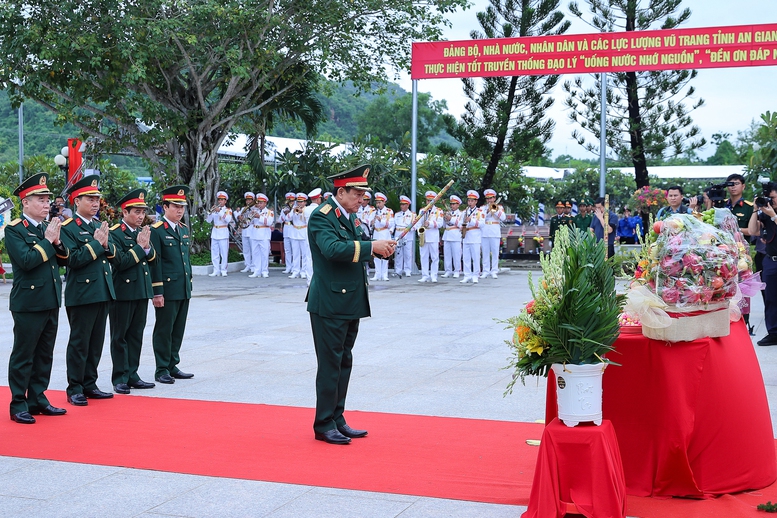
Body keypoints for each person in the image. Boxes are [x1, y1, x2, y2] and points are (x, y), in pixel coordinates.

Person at [305, 164, 396, 444]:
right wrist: (371, 247)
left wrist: (381, 250)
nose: (362, 200)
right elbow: (332, 249)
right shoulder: (322, 217)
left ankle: (337, 418)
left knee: (344, 360)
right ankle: (323, 423)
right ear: (341, 192)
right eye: (357, 195)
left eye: (364, 196)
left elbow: (357, 246)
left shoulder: (350, 217)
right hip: (330, 302)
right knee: (330, 363)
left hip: (349, 299)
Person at [5, 173, 69, 423]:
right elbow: (27, 261)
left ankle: (38, 398)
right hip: (29, 304)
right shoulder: (14, 230)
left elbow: (64, 261)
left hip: (50, 299)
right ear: (25, 203)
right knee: (24, 354)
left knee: (44, 354)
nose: (46, 204)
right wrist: (47, 241)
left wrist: (57, 242)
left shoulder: (47, 228)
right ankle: (18, 403)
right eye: (40, 200)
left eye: (47, 200)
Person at [59, 175, 118, 406]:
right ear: (77, 201)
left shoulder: (97, 226)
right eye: (90, 199)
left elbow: (111, 252)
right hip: (82, 295)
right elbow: (71, 259)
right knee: (79, 343)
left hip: (103, 291)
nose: (95, 203)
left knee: (95, 343)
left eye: (97, 199)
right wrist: (97, 244)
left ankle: (89, 383)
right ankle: (74, 387)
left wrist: (104, 244)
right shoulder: (69, 228)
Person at [108, 188, 157, 394]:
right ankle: (120, 376)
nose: (140, 216)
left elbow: (153, 256)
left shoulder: (141, 232)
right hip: (123, 291)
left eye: (143, 212)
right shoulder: (115, 233)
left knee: (136, 334)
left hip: (140, 290)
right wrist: (139, 248)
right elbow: (120, 262)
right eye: (136, 212)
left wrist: (145, 247)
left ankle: (132, 373)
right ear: (125, 212)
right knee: (120, 336)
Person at [149, 185, 195, 384]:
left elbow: (185, 260)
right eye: (175, 206)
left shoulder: (183, 230)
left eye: (182, 207)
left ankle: (172, 363)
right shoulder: (157, 231)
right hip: (167, 289)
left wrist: (189, 284)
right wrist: (157, 292)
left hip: (182, 287)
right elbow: (155, 263)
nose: (179, 210)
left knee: (178, 328)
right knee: (164, 328)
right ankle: (161, 368)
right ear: (165, 207)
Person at [725, 173, 756, 334]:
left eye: (736, 183)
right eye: (730, 184)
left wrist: (732, 229)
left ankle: (746, 322)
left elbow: (753, 230)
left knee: (744, 287)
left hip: (743, 252)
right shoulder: (722, 205)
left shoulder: (749, 207)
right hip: (724, 252)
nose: (733, 186)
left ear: (743, 186)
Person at [749, 184, 777, 346]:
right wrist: (755, 210)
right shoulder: (765, 214)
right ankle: (773, 332)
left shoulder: (771, 214)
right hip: (771, 260)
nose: (769, 201)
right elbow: (753, 231)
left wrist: (773, 215)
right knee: (771, 299)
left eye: (772, 198)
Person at [416, 190, 443, 283]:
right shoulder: (422, 210)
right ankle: (425, 275)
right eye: (427, 200)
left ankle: (434, 275)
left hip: (433, 236)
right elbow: (417, 223)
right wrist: (419, 232)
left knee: (434, 257)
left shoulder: (438, 211)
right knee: (423, 256)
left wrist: (430, 223)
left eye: (431, 200)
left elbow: (440, 223)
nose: (429, 202)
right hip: (424, 236)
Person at [206, 191, 232, 277]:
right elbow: (208, 221)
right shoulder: (215, 210)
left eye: (222, 200)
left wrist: (219, 211)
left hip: (223, 232)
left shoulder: (228, 210)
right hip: (215, 232)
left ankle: (224, 270)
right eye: (219, 200)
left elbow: (228, 219)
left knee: (224, 253)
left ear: (225, 201)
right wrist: (210, 213)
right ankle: (216, 270)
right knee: (214, 253)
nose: (220, 201)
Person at [481, 189, 505, 279]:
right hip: (485, 231)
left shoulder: (499, 207)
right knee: (485, 252)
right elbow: (481, 218)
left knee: (495, 253)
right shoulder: (483, 208)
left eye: (491, 198)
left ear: (494, 198)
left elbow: (503, 218)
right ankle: (485, 271)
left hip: (495, 232)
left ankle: (494, 271)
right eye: (487, 198)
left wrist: (496, 210)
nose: (489, 200)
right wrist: (487, 211)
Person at [461, 190, 484, 284]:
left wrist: (471, 221)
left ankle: (475, 275)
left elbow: (482, 224)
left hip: (475, 236)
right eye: (469, 201)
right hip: (466, 235)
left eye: (471, 201)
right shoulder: (464, 211)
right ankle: (467, 275)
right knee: (466, 257)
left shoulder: (480, 212)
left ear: (476, 201)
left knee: (475, 257)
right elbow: (460, 222)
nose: (469, 203)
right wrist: (461, 226)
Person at [370, 192, 394, 281]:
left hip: (385, 233)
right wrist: (371, 223)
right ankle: (377, 274)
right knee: (376, 254)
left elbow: (391, 224)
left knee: (385, 254)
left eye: (380, 202)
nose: (378, 204)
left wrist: (381, 220)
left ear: (384, 202)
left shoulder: (389, 211)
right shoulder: (374, 212)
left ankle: (384, 274)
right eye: (377, 202)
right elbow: (369, 223)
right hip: (376, 233)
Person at [249, 193, 273, 279]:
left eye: (261, 203)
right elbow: (249, 223)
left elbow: (269, 222)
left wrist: (259, 217)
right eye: (258, 202)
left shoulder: (269, 212)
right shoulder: (255, 211)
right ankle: (257, 271)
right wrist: (249, 217)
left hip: (264, 235)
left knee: (264, 254)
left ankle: (264, 271)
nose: (259, 204)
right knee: (255, 254)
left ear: (265, 203)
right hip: (254, 234)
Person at [303, 188, 322, 284]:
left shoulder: (305, 209)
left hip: (307, 233)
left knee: (308, 256)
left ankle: (309, 279)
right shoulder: (320, 209)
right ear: (318, 199)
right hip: (318, 233)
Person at [393, 195, 415, 277]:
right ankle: (398, 270)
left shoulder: (412, 214)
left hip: (407, 235)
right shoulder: (397, 214)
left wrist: (410, 229)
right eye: (401, 204)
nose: (402, 206)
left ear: (407, 205)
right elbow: (394, 224)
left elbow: (415, 225)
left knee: (407, 254)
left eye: (403, 204)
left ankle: (407, 270)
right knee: (398, 253)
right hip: (398, 234)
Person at [288, 193, 309, 279]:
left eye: (301, 202)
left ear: (305, 202)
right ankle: (295, 271)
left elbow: (307, 220)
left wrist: (301, 212)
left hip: (303, 232)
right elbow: (287, 219)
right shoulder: (294, 208)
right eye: (298, 202)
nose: (299, 204)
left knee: (304, 254)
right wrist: (293, 212)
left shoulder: (307, 210)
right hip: (295, 233)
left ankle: (303, 271)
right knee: (295, 254)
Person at [441, 195, 463, 278]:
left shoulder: (460, 214)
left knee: (456, 254)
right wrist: (444, 218)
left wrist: (451, 219)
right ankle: (448, 270)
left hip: (456, 235)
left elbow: (461, 224)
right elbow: (443, 226)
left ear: (458, 205)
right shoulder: (448, 212)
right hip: (447, 234)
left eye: (454, 204)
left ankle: (457, 270)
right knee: (447, 254)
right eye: (451, 204)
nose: (452, 206)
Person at [235, 192, 255, 273]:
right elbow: (238, 216)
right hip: (245, 231)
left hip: (252, 230)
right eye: (247, 200)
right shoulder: (244, 208)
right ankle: (247, 265)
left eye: (250, 200)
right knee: (246, 250)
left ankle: (254, 266)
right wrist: (239, 217)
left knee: (253, 249)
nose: (248, 201)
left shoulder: (255, 209)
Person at [279, 192, 296, 274]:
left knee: (294, 250)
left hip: (293, 229)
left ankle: (294, 267)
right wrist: (284, 213)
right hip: (286, 229)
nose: (290, 203)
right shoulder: (284, 209)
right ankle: (288, 267)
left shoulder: (296, 208)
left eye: (292, 201)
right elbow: (280, 220)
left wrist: (290, 212)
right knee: (287, 250)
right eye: (289, 201)